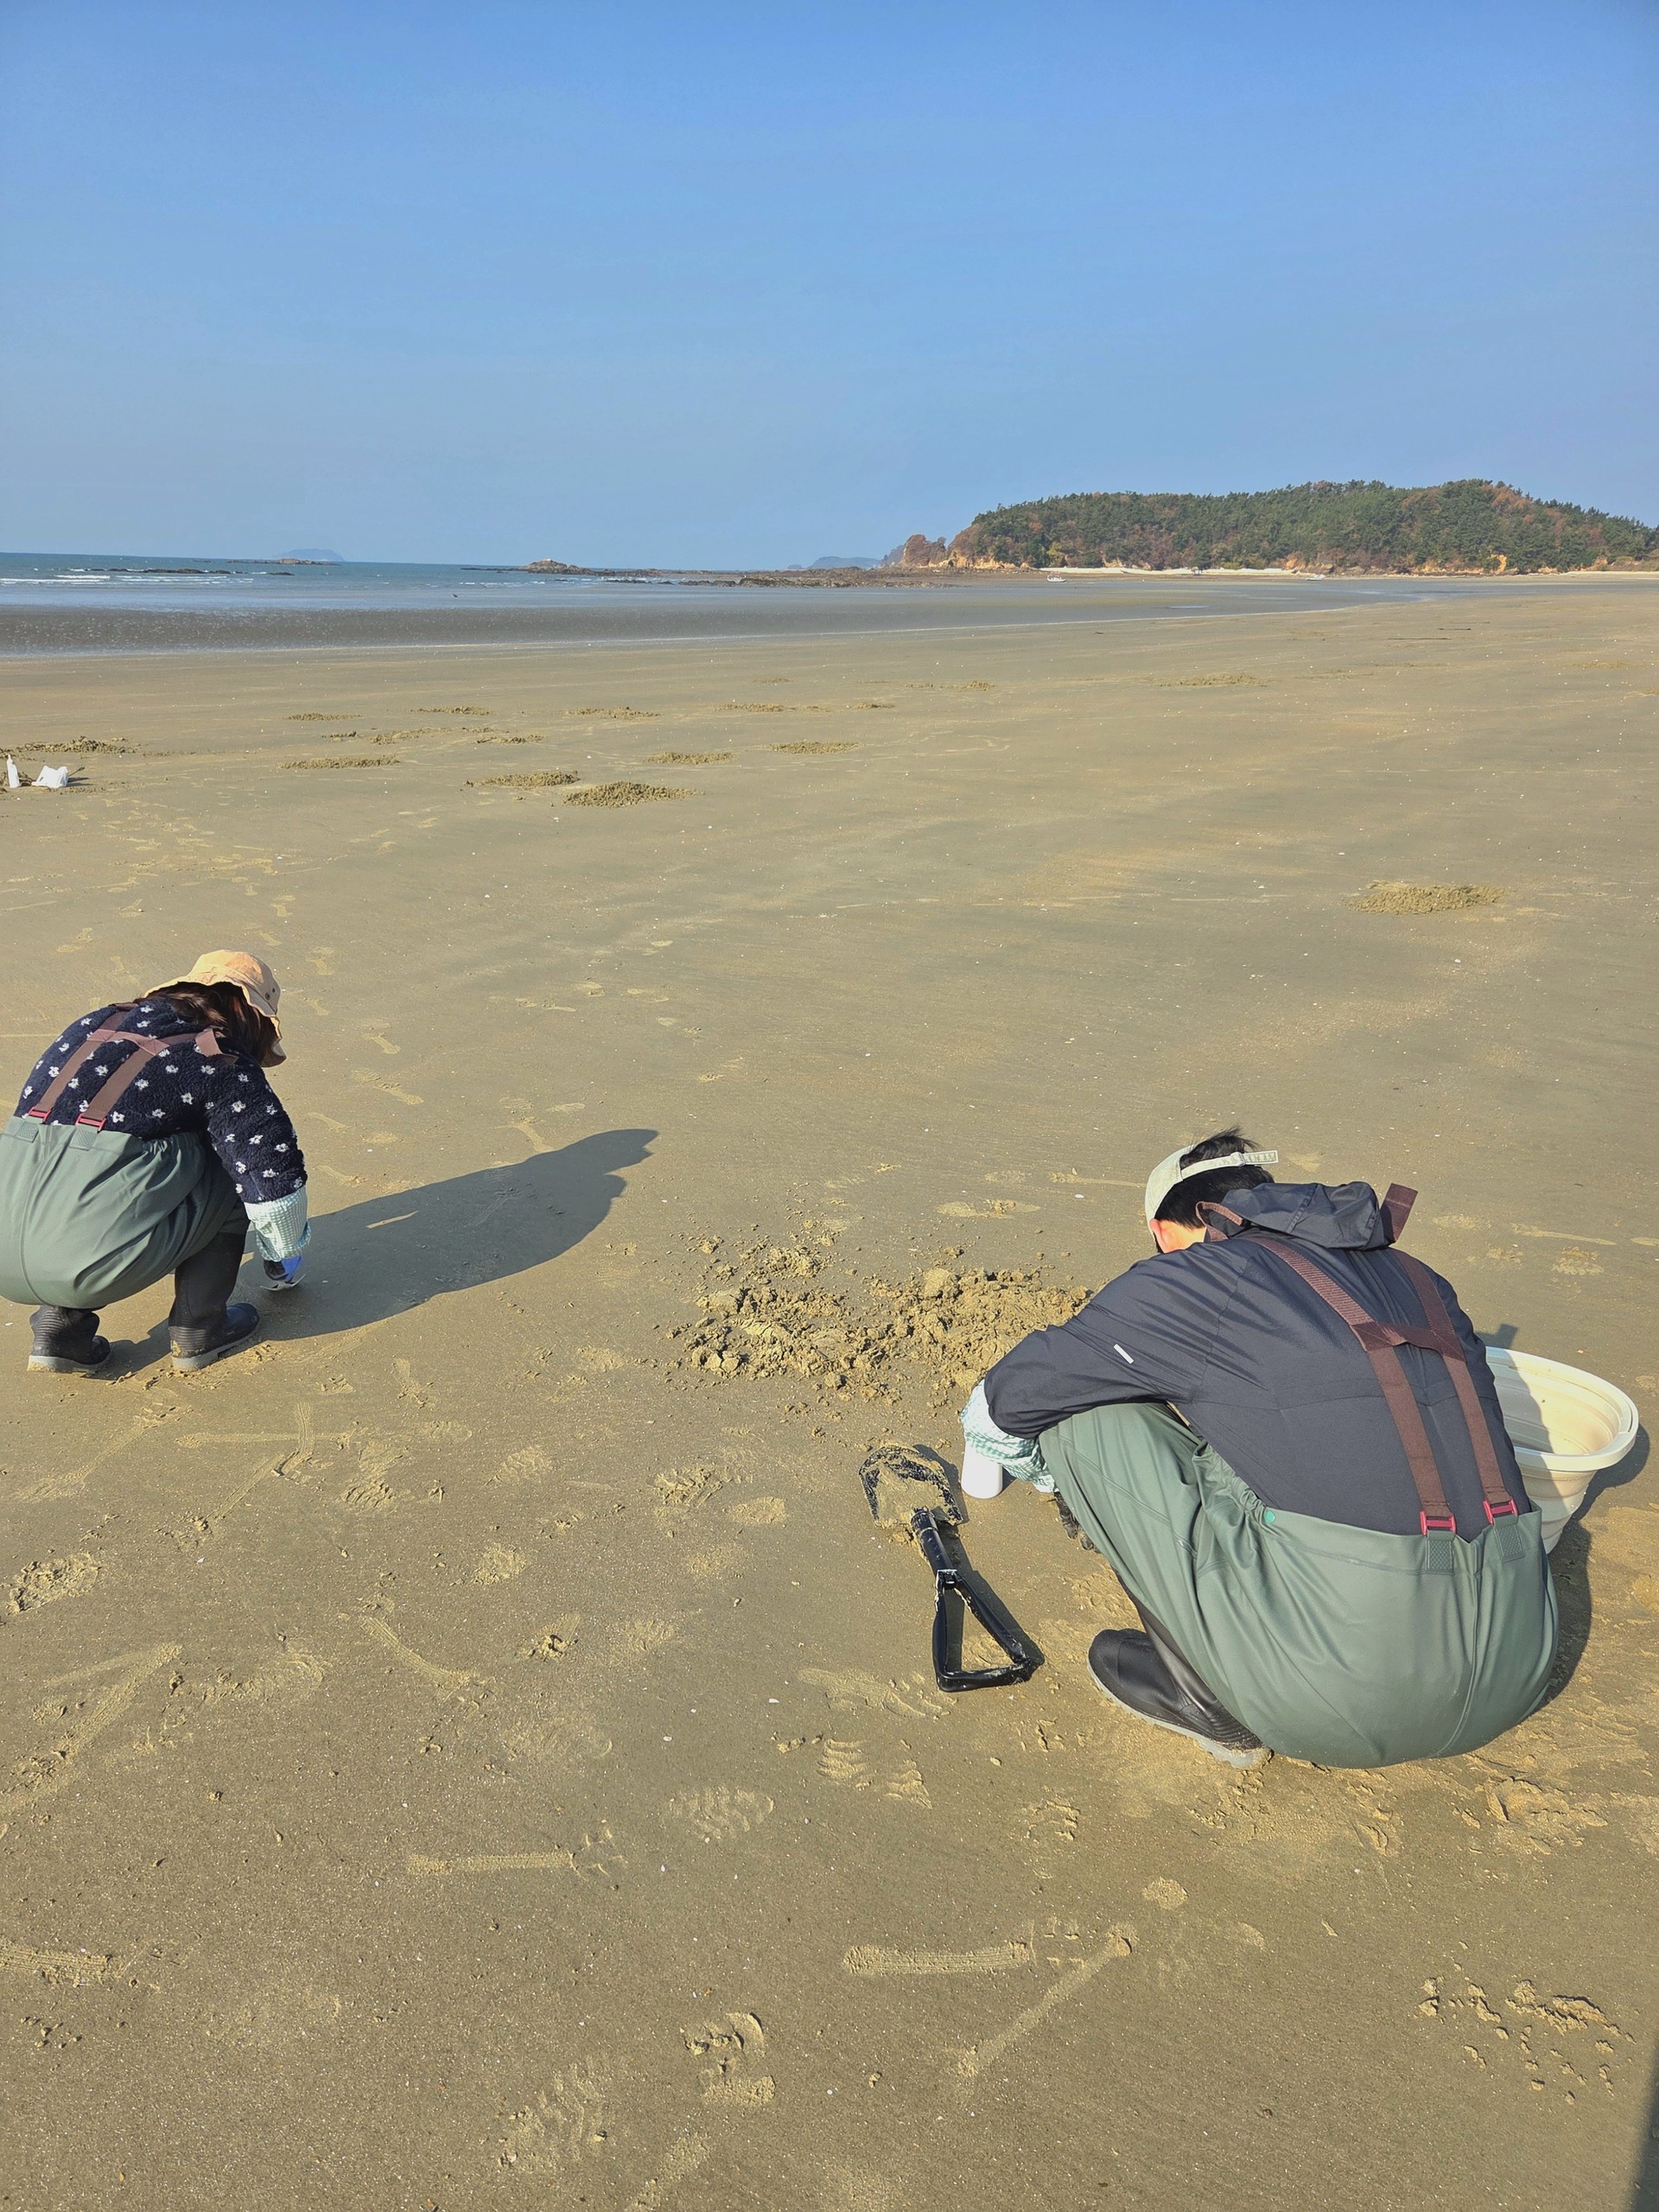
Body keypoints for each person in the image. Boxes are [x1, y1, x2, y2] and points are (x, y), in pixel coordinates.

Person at [961, 1128, 1557, 1770]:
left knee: (1082, 1413)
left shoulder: (1200, 1277)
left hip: (1341, 1703)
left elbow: (1004, 1403)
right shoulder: (1421, 1278)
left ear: (1166, 1231)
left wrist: (1034, 1478)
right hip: (1519, 1658)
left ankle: (1207, 1699)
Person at [0, 951, 309, 1374]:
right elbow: (273, 1181)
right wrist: (283, 1254)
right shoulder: (223, 1059)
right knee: (235, 1164)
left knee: (76, 1157)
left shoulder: (97, 1023)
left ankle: (60, 1328)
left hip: (8, 1244)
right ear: (251, 1017)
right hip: (88, 1258)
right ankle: (200, 1327)